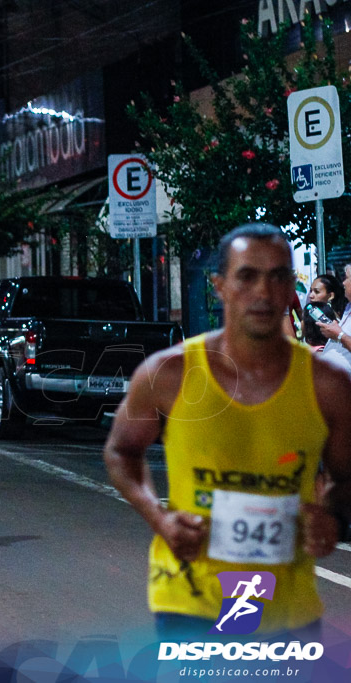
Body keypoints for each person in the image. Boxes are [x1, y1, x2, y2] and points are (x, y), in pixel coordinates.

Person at [103, 223, 351, 641]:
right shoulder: (170, 373)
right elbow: (120, 452)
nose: (263, 291)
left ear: (292, 286)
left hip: (288, 611)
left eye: (277, 277)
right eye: (247, 275)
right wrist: (159, 517)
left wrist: (330, 517)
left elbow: (346, 478)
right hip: (190, 602)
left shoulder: (328, 385)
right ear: (219, 285)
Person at [316, 265, 351, 376]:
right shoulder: (348, 307)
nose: (343, 283)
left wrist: (339, 335)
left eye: (346, 278)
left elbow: (340, 336)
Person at [301, 274, 344, 349]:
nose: (311, 295)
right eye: (311, 290)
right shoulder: (308, 313)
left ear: (331, 296)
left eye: (316, 292)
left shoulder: (338, 321)